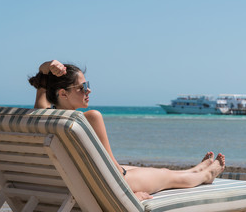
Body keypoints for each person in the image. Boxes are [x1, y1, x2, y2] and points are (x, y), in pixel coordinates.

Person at [29, 60, 226, 201]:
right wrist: (128, 196)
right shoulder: (89, 118)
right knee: (168, 176)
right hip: (106, 184)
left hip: (71, 182)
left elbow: (42, 82)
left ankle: (195, 169)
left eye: (87, 85)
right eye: (82, 87)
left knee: (150, 171)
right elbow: (112, 170)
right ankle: (204, 175)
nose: (89, 91)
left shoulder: (42, 116)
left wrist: (48, 66)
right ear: (63, 93)